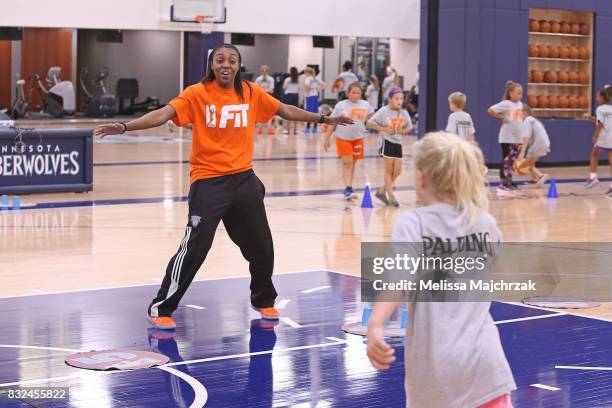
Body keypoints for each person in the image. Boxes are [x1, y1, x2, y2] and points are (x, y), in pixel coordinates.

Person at [94, 44, 352, 330]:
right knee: (195, 248)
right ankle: (162, 306)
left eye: (231, 60)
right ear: (212, 65)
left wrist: (325, 119)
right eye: (220, 60)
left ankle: (263, 299)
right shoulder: (197, 93)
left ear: (239, 65)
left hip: (244, 179)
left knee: (262, 246)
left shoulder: (251, 92)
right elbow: (162, 114)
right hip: (208, 181)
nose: (225, 64)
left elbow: (284, 110)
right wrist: (126, 126)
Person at [366, 132, 517, 408]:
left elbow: (399, 277)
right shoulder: (485, 222)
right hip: (486, 367)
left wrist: (377, 322)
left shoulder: (413, 224)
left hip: (437, 372)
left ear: (422, 178)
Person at [323, 82, 374, 199]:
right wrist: (327, 138)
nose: (356, 95)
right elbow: (332, 122)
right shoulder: (341, 105)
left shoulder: (366, 105)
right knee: (347, 163)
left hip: (358, 138)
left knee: (353, 163)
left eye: (358, 93)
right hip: (343, 138)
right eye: (353, 92)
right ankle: (348, 188)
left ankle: (350, 186)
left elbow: (372, 118)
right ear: (348, 93)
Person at [366, 87, 413, 207]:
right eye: (397, 98)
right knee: (389, 170)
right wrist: (384, 129)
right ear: (390, 99)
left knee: (397, 171)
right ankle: (391, 196)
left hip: (397, 142)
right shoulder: (383, 111)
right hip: (385, 141)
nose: (399, 101)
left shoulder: (403, 112)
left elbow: (410, 127)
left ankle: (382, 192)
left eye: (401, 99)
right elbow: (369, 123)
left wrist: (403, 131)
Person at [488, 81, 524, 195]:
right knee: (506, 160)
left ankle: (509, 180)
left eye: (521, 93)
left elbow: (517, 121)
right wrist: (501, 117)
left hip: (517, 138)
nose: (520, 95)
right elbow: (490, 110)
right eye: (518, 93)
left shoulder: (520, 104)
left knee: (512, 161)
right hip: (507, 137)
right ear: (511, 93)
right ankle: (503, 182)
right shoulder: (506, 103)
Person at [584, 85, 612, 196]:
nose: (596, 99)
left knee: (594, 154)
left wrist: (595, 136)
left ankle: (593, 177)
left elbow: (600, 124)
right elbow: (602, 121)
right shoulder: (610, 109)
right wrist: (590, 118)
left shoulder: (600, 109)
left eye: (597, 96)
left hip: (604, 136)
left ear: (601, 97)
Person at [518, 105, 550, 186]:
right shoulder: (534, 120)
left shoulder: (527, 121)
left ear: (524, 113)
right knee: (531, 162)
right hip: (545, 143)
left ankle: (540, 175)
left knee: (527, 163)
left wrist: (522, 152)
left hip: (538, 144)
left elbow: (526, 137)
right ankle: (534, 178)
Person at [254, 65, 276, 135]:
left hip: (262, 96)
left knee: (261, 112)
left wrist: (262, 91)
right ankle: (268, 129)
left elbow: (256, 89)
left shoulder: (258, 79)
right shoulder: (270, 79)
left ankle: (260, 129)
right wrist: (265, 91)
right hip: (267, 96)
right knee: (269, 112)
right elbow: (271, 89)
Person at [304, 67, 325, 133]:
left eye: (305, 72)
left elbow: (307, 87)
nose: (305, 74)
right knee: (315, 111)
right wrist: (318, 88)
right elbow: (324, 85)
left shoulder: (307, 79)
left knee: (309, 112)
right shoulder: (316, 78)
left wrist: (307, 89)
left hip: (310, 96)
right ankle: (315, 128)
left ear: (307, 72)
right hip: (315, 96)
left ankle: (308, 127)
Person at [283, 67, 301, 134]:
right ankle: (295, 130)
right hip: (295, 96)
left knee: (288, 112)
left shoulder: (287, 79)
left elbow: (284, 88)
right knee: (295, 112)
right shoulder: (297, 80)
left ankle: (287, 130)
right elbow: (299, 89)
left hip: (288, 95)